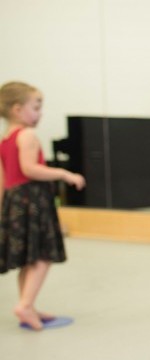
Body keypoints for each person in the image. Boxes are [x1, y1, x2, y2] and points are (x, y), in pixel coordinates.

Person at [0, 81, 86, 330]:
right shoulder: (27, 135)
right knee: (41, 256)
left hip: (15, 201)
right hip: (31, 200)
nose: (40, 113)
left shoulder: (6, 139)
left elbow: (5, 179)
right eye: (36, 107)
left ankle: (28, 303)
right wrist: (63, 173)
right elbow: (29, 169)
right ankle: (25, 305)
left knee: (28, 257)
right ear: (17, 109)